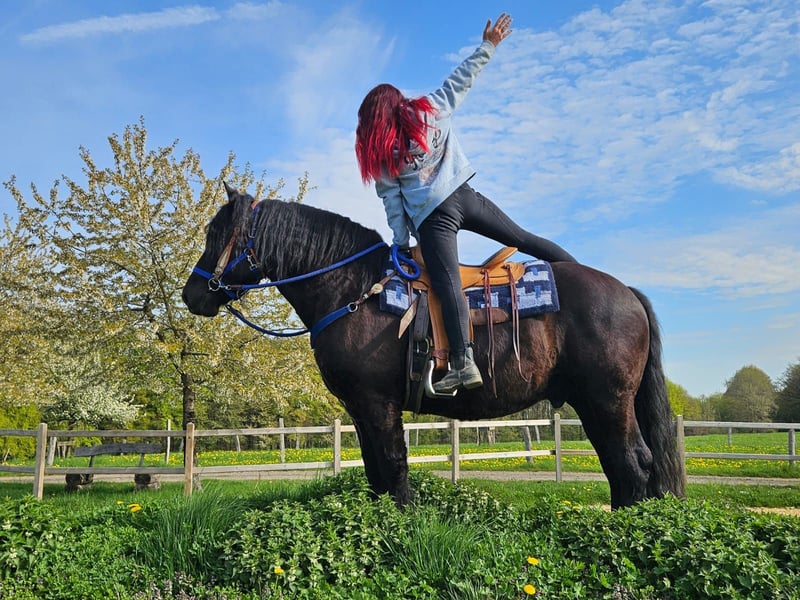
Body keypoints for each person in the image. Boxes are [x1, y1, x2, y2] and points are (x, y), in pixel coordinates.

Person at [355, 13, 577, 394]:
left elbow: (394, 206)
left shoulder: (383, 157)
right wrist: (488, 45)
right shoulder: (429, 111)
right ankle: (580, 274)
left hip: (434, 220)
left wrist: (401, 243)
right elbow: (460, 81)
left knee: (448, 284)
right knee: (521, 237)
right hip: (464, 197)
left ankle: (462, 362)